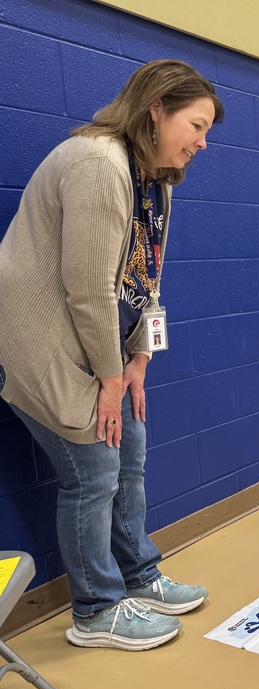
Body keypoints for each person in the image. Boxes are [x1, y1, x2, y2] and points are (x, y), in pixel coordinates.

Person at [0, 60, 224, 651]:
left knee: (132, 450)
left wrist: (139, 361)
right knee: (93, 472)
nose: (202, 143)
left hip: (94, 341)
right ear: (156, 111)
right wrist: (109, 379)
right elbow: (88, 288)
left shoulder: (156, 179)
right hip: (42, 341)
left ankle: (139, 577)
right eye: (196, 126)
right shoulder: (98, 163)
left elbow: (148, 278)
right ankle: (96, 611)